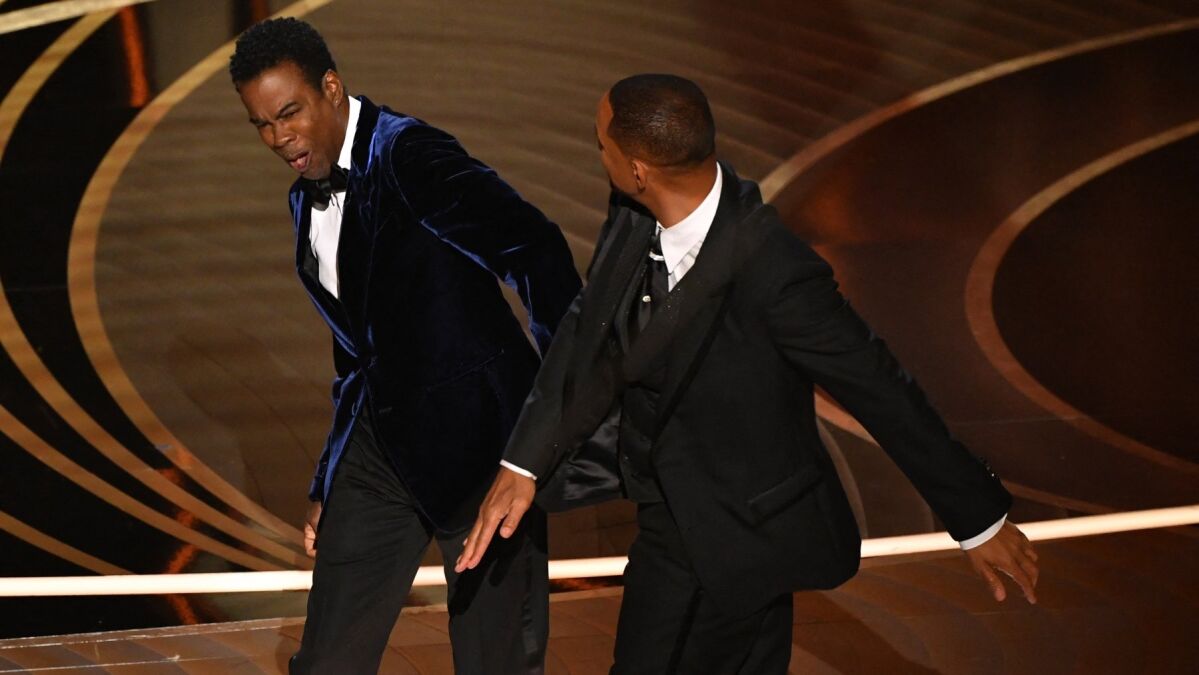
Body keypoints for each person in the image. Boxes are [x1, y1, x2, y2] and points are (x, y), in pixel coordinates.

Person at [457, 74, 1039, 673]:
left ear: (637, 170)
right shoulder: (634, 211)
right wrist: (523, 463)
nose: (597, 152)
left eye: (600, 144)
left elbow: (879, 386)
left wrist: (977, 519)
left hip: (738, 529)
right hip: (682, 517)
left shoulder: (775, 270)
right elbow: (591, 328)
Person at [230, 18, 580, 674]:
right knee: (328, 660)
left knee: (496, 662)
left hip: (482, 453)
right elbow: (355, 351)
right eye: (262, 124)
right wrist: (329, 476)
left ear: (331, 88)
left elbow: (536, 251)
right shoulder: (304, 200)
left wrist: (547, 423)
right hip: (380, 448)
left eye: (289, 113)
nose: (278, 138)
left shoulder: (409, 155)